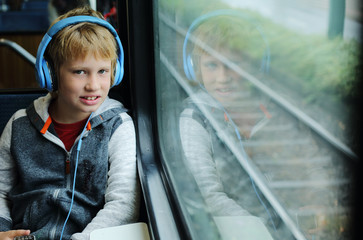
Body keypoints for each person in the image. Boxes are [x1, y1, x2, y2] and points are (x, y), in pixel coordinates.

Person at [0, 6, 140, 240]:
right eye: (80, 72)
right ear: (51, 73)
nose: (94, 85)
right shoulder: (19, 125)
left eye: (103, 71)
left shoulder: (118, 127)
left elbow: (124, 202)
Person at [179, 10, 279, 229]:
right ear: (195, 67)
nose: (223, 78)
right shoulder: (195, 120)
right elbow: (210, 197)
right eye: (212, 65)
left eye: (233, 65)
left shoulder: (265, 112)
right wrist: (261, 229)